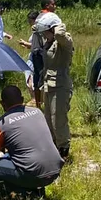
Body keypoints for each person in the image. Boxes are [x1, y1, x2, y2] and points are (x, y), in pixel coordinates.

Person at [0, 85, 64, 195]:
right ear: (22, 100)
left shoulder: (1, 123)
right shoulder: (37, 112)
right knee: (11, 156)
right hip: (55, 169)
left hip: (33, 173)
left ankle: (27, 193)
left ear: (2, 104)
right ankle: (35, 187)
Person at [34, 12, 74, 158]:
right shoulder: (48, 42)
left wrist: (56, 25)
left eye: (46, 31)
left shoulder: (64, 41)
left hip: (60, 85)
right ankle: (53, 149)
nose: (44, 35)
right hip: (48, 84)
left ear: (52, 29)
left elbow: (60, 35)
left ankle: (63, 150)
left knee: (58, 120)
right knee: (48, 120)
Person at [18, 10, 44, 107]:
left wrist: (25, 43)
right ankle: (36, 99)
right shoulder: (35, 30)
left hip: (35, 57)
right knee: (31, 78)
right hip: (33, 56)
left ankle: (35, 99)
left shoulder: (38, 31)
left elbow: (37, 45)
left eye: (30, 21)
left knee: (31, 79)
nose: (29, 23)